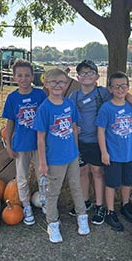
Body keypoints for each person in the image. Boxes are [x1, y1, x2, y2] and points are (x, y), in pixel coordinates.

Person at [69, 59, 132, 226]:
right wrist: (73, 127)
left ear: (96, 76)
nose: (86, 75)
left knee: (97, 172)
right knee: (82, 171)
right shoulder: (74, 96)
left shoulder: (103, 92)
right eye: (83, 73)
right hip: (81, 141)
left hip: (97, 142)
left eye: (90, 72)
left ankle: (100, 206)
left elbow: (124, 93)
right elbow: (69, 114)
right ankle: (86, 201)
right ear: (78, 77)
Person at [34, 68, 90, 243]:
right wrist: (43, 163)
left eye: (61, 82)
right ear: (46, 84)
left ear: (66, 85)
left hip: (71, 155)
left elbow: (74, 128)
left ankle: (82, 216)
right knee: (53, 192)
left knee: (76, 186)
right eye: (53, 82)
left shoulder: (69, 104)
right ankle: (52, 223)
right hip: (55, 158)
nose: (58, 85)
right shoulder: (44, 108)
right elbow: (41, 138)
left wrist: (77, 149)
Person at [2, 59, 47, 226]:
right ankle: (26, 206)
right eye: (19, 75)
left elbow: (46, 117)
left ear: (32, 76)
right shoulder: (12, 98)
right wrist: (8, 144)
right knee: (21, 178)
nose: (24, 78)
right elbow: (10, 123)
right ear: (14, 78)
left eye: (27, 75)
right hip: (21, 144)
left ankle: (45, 202)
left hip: (39, 144)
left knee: (43, 175)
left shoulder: (40, 95)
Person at [95, 71, 132, 231]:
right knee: (112, 184)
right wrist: (104, 152)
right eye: (116, 86)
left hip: (128, 153)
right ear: (110, 89)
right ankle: (110, 211)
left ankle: (125, 204)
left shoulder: (131, 107)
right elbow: (100, 131)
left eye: (124, 86)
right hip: (113, 154)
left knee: (127, 181)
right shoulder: (106, 108)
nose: (120, 89)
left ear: (128, 87)